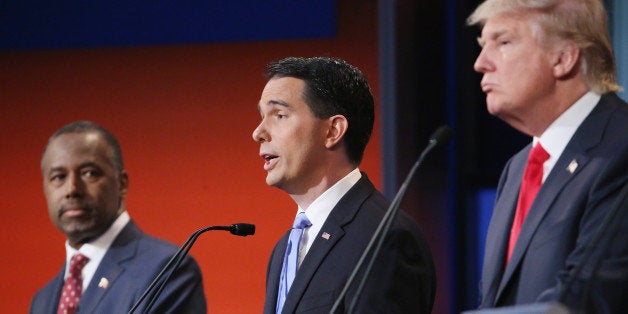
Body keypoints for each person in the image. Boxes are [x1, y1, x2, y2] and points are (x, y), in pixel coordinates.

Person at [467, 0, 628, 312]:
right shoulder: (517, 168)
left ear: (563, 58)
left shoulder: (620, 147)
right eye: (482, 45)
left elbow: (591, 297)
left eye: (503, 42)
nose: (481, 63)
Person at [252, 56, 436, 313]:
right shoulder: (285, 247)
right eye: (262, 116)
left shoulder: (384, 238)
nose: (258, 132)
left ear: (333, 131)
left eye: (279, 115)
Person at [30, 121, 206, 313]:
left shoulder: (167, 270)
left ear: (122, 184)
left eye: (89, 173)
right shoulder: (42, 300)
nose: (72, 189)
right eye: (58, 177)